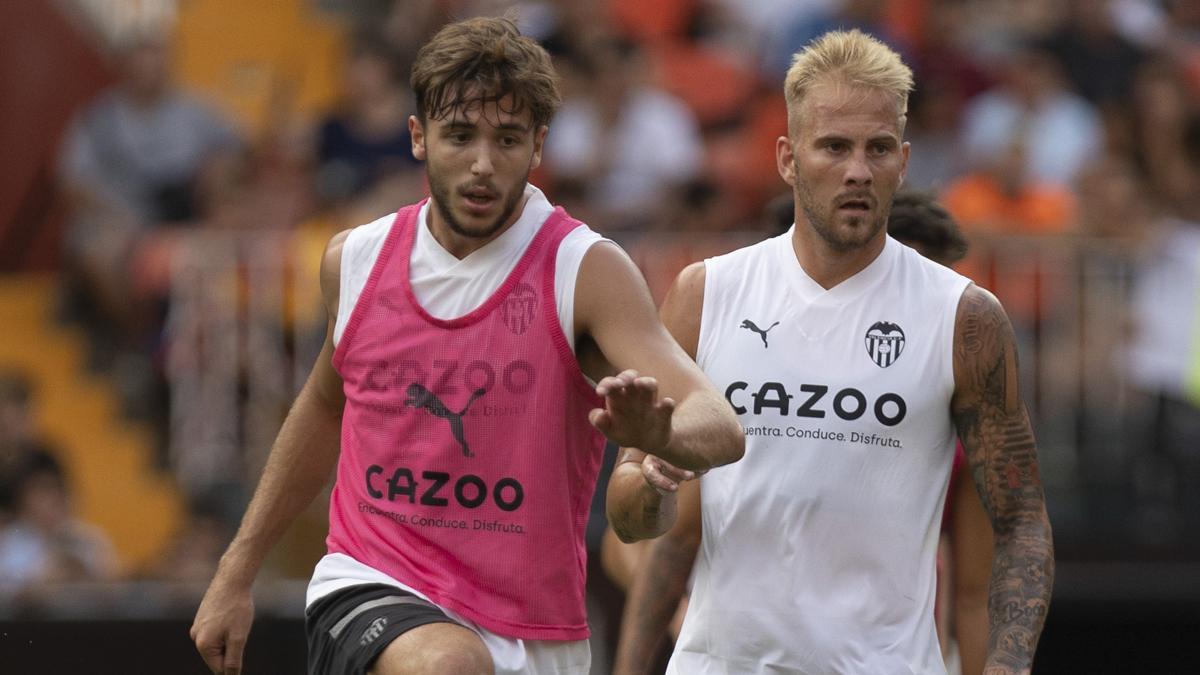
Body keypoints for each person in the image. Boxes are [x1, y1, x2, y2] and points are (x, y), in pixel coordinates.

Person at [189, 17, 744, 675]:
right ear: (418, 137)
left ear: (539, 146)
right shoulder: (356, 259)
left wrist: (665, 433)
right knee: (447, 666)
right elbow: (324, 406)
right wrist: (235, 570)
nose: (482, 163)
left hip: (536, 633)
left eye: (507, 139)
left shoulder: (583, 269)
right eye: (459, 135)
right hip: (371, 586)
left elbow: (721, 426)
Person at [607, 29, 1054, 675]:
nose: (857, 170)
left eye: (877, 150)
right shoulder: (707, 292)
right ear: (788, 158)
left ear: (903, 161)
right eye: (834, 147)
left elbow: (1022, 524)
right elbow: (631, 523)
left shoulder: (964, 317)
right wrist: (650, 475)